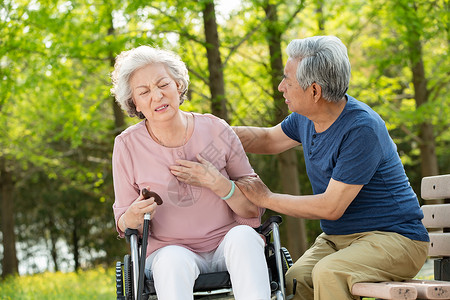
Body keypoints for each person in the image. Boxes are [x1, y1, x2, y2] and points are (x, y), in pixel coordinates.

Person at [232, 36, 430, 300]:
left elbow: (331, 207)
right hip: (340, 239)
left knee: (329, 272)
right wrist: (211, 131)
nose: (281, 87)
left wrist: (266, 198)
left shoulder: (361, 128)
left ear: (314, 91)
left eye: (288, 81)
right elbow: (268, 139)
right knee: (293, 281)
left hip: (397, 240)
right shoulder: (305, 118)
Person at [110, 46, 270, 300]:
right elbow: (122, 222)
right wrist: (132, 216)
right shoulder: (127, 145)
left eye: (163, 84)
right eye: (144, 92)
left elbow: (253, 210)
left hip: (226, 243)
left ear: (179, 85)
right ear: (134, 103)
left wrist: (220, 184)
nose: (157, 95)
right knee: (172, 260)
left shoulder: (217, 130)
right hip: (168, 251)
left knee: (244, 237)